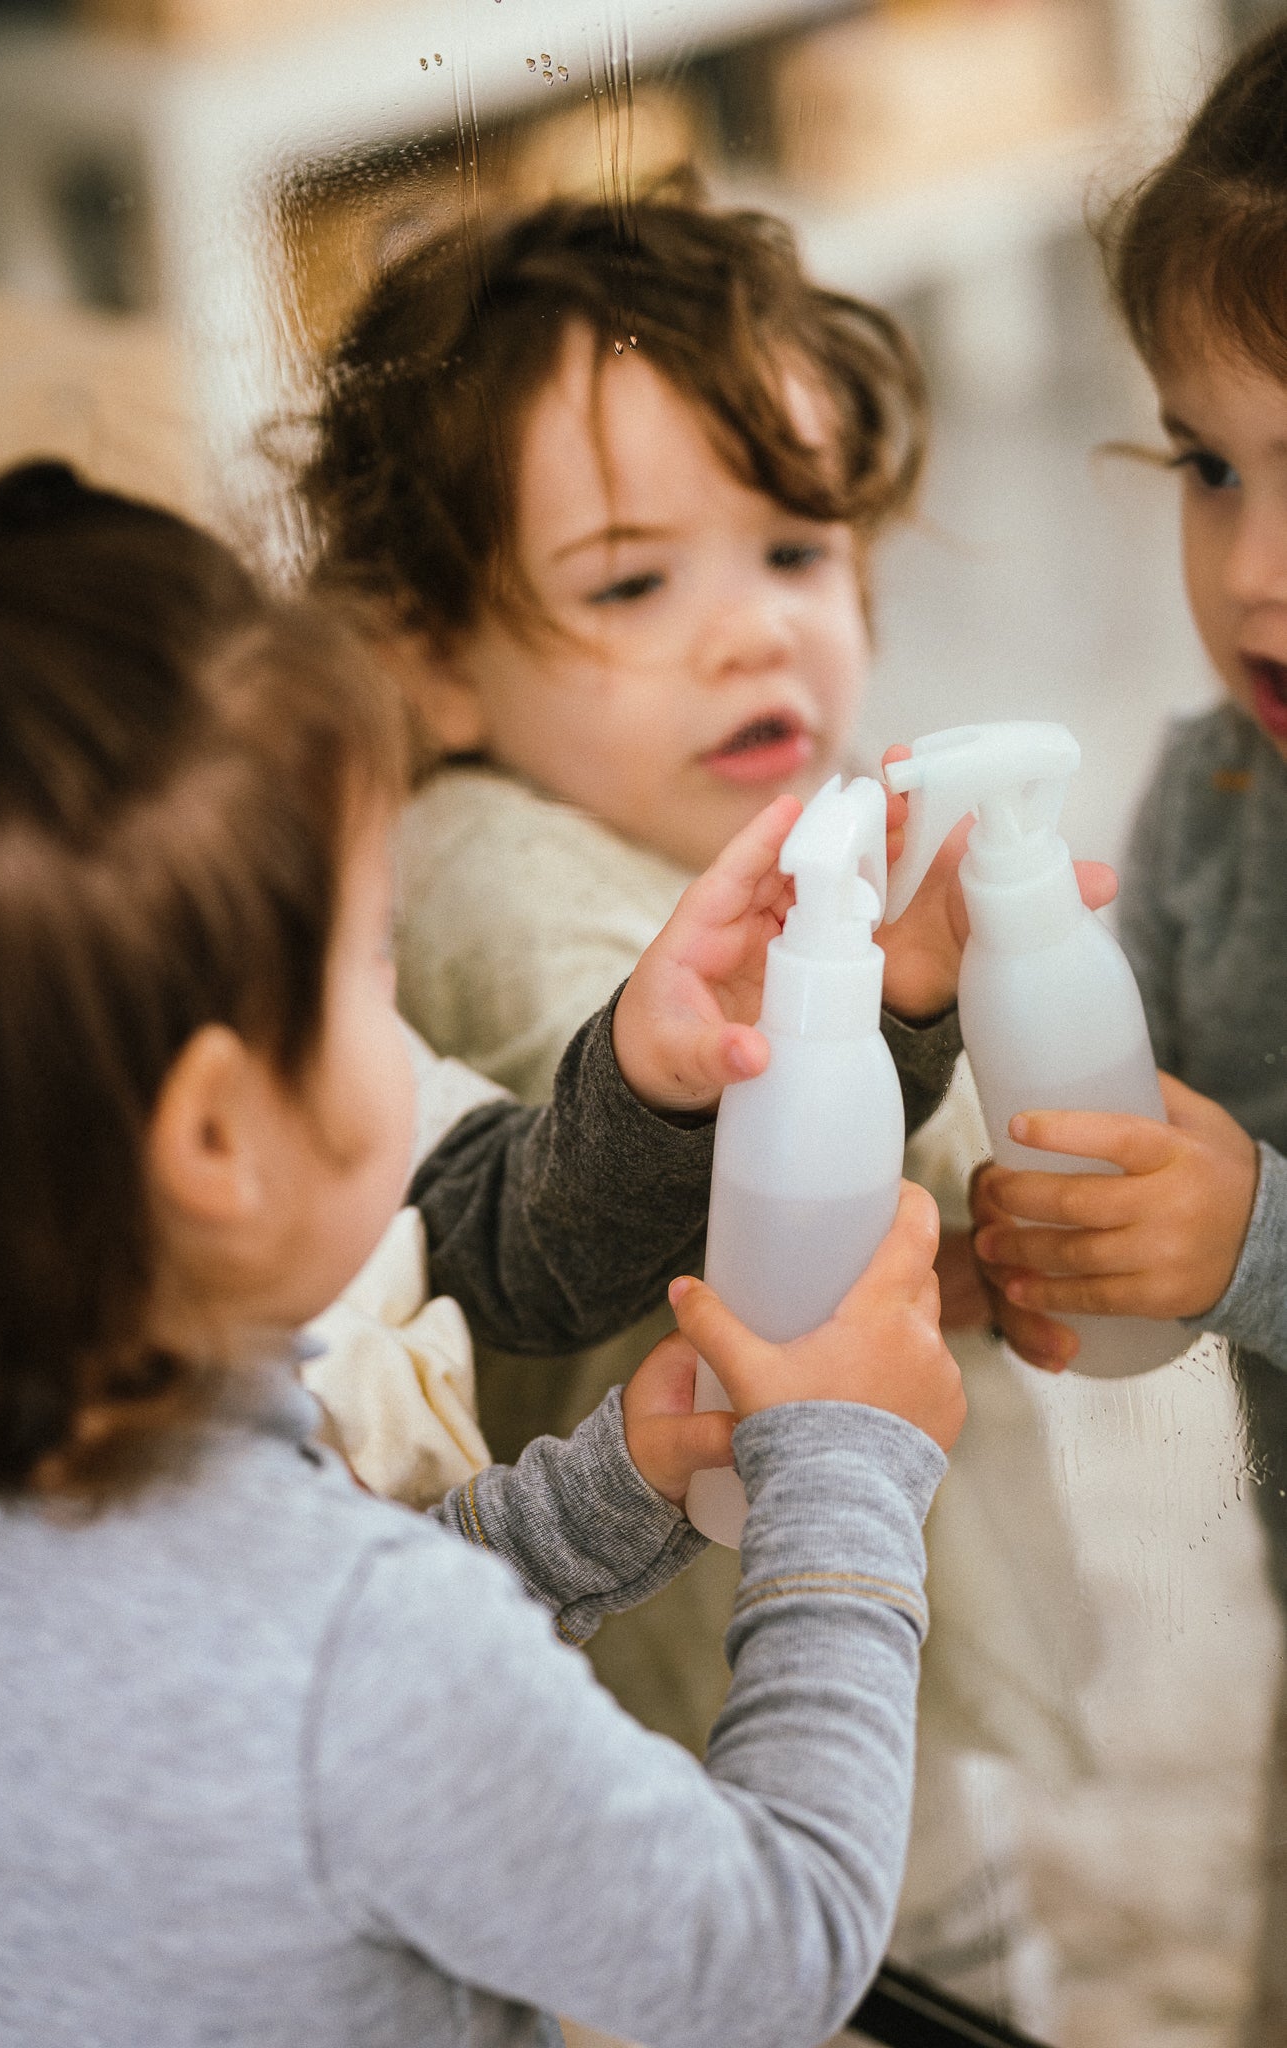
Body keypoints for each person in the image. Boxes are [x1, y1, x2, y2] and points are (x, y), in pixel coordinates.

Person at [0, 458, 966, 2048]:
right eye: (371, 961)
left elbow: (270, 1668)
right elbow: (773, 1948)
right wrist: (851, 1471)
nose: (398, 1019)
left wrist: (594, 1498)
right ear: (214, 1140)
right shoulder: (369, 1661)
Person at [299, 188, 1103, 2025]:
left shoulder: (762, 838)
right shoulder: (484, 875)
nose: (754, 638)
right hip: (690, 1657)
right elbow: (729, 1173)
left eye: (796, 553)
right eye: (634, 583)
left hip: (818, 1585)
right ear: (429, 652)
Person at [967, 24, 1287, 2041]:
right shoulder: (1213, 797)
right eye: (1207, 464)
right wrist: (1019, 1198)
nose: (1252, 577)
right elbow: (1140, 1156)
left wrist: (1251, 1232)